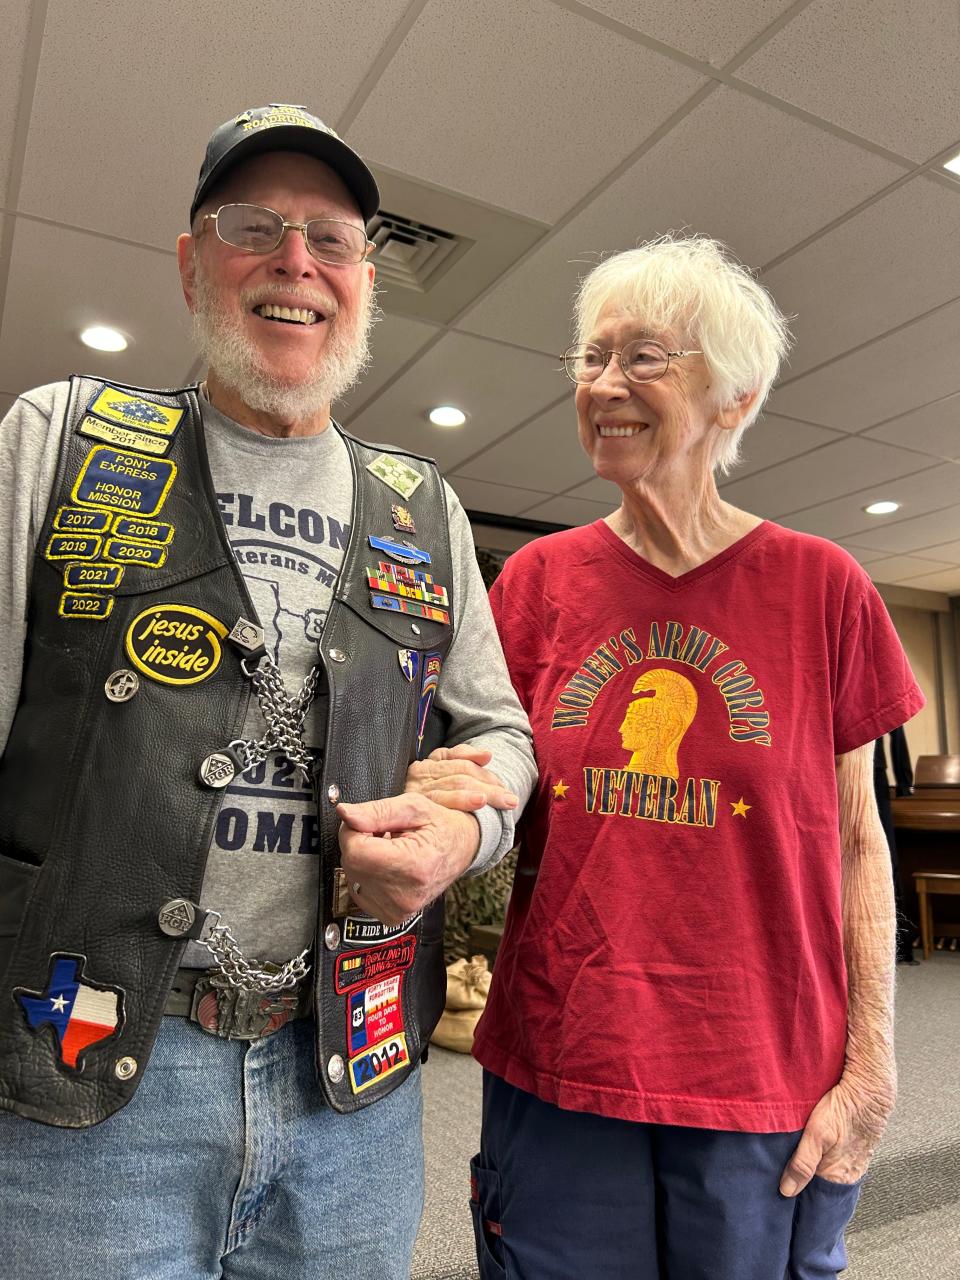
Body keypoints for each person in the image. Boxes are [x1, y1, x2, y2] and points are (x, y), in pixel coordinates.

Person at [0, 103, 535, 1279]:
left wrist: (466, 829)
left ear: (364, 281)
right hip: (79, 1072)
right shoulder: (64, 437)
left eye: (333, 239)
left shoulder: (423, 507)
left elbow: (498, 731)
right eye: (257, 225)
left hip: (354, 1082)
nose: (297, 261)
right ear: (194, 262)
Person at [414, 235, 924, 1279]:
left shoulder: (824, 587)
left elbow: (861, 844)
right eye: (591, 356)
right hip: (562, 1064)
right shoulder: (536, 585)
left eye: (645, 356)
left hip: (761, 1072)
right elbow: (488, 793)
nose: (605, 382)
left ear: (734, 397)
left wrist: (871, 1060)